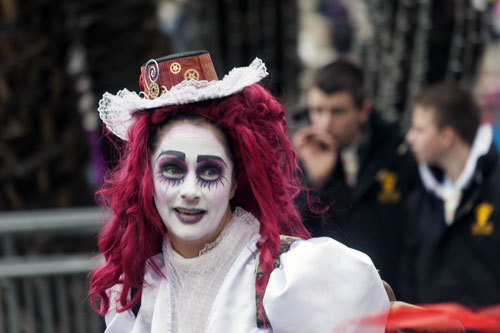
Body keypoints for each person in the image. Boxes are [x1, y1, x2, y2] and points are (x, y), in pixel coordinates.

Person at [89, 51, 389, 332]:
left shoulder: (289, 277)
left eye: (209, 171)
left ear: (234, 181)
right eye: (172, 170)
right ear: (147, 179)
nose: (190, 191)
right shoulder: (135, 291)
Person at [293, 59, 418, 295]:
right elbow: (288, 232)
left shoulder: (396, 152)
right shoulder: (299, 153)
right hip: (327, 297)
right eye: (318, 110)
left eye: (337, 111)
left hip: (390, 295)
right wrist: (313, 181)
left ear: (363, 111)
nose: (325, 123)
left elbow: (415, 234)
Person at [402, 82, 500, 307]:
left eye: (419, 129)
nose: (409, 138)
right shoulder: (421, 199)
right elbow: (408, 276)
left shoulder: (495, 191)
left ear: (446, 136)